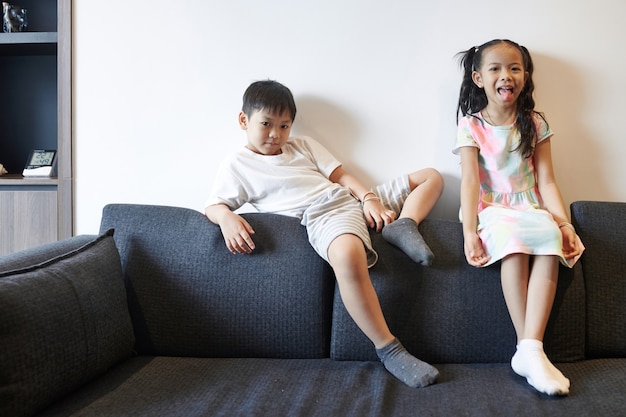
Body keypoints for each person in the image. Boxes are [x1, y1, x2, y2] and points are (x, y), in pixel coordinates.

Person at [205, 80, 443, 387]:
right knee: (347, 255)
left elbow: (340, 176)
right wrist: (226, 217)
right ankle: (389, 349)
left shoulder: (302, 145)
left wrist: (369, 199)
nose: (276, 134)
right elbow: (213, 204)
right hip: (321, 215)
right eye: (266, 124)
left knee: (431, 177)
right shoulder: (237, 166)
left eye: (284, 126)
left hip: (352, 198)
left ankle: (404, 224)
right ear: (243, 120)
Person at [453, 39, 584, 396]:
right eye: (495, 68)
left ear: (525, 76)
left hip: (529, 204)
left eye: (514, 68)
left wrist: (563, 222)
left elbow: (547, 180)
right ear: (479, 78)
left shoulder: (535, 123)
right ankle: (529, 349)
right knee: (513, 242)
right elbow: (469, 180)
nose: (505, 75)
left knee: (549, 238)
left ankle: (530, 347)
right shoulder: (471, 125)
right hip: (491, 207)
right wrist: (469, 231)